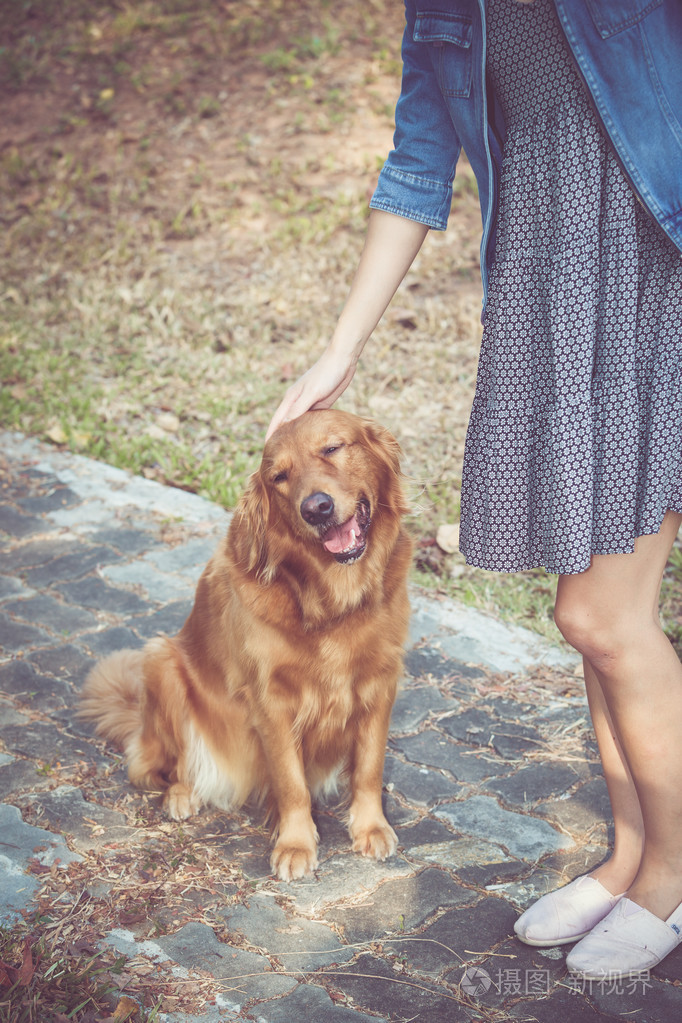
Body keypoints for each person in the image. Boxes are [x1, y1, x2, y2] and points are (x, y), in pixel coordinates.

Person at [266, 0, 682, 980]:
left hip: (651, 268)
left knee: (601, 615)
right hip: (548, 298)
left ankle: (670, 872)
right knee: (592, 616)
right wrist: (340, 346)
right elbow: (417, 166)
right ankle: (629, 857)